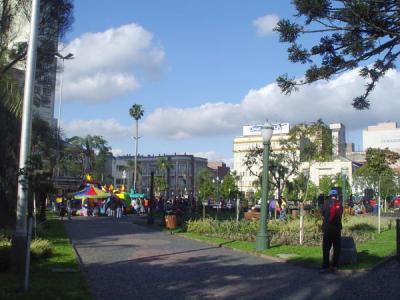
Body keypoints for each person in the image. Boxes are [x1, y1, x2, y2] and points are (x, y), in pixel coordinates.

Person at [320, 189, 343, 273]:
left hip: (328, 228)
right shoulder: (339, 204)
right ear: (336, 195)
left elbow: (322, 213)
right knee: (337, 248)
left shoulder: (325, 203)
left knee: (326, 248)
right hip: (337, 229)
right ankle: (335, 266)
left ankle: (325, 266)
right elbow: (341, 214)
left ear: (329, 195)